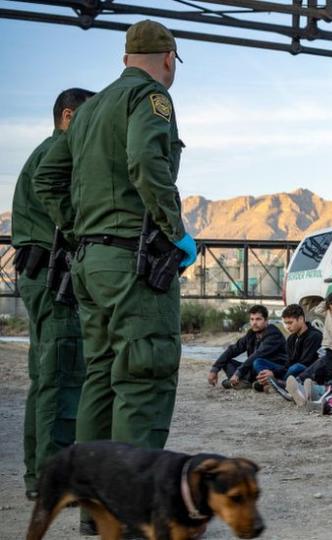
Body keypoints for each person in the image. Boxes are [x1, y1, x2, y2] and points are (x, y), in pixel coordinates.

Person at [33, 20, 194, 456]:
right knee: (145, 372)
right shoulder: (151, 96)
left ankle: (95, 504)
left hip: (90, 264)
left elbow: (46, 178)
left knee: (101, 376)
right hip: (132, 264)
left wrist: (78, 227)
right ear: (167, 58)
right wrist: (174, 231)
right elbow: (145, 161)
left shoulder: (88, 110)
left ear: (125, 59)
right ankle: (130, 510)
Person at [13, 88, 94, 501]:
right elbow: (67, 210)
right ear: (68, 116)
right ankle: (52, 480)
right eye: (86, 117)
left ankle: (39, 475)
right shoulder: (58, 153)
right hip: (51, 279)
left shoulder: (46, 151)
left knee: (45, 380)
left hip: (41, 275)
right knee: (62, 379)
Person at [208, 305, 286, 389]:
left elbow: (258, 354)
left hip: (272, 369)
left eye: (258, 319)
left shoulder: (273, 334)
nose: (254, 323)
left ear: (266, 321)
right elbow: (233, 349)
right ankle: (243, 382)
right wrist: (215, 369)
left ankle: (242, 381)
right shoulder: (251, 334)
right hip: (253, 369)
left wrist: (238, 372)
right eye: (252, 319)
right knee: (226, 361)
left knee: (257, 362)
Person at [253, 304, 323, 397]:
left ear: (301, 319)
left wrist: (275, 373)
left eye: (290, 323)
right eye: (286, 323)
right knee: (258, 362)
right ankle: (273, 382)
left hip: (306, 371)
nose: (288, 326)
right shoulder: (291, 338)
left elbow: (306, 362)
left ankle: (279, 384)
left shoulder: (314, 335)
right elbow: (288, 362)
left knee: (296, 367)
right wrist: (273, 372)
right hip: (289, 370)